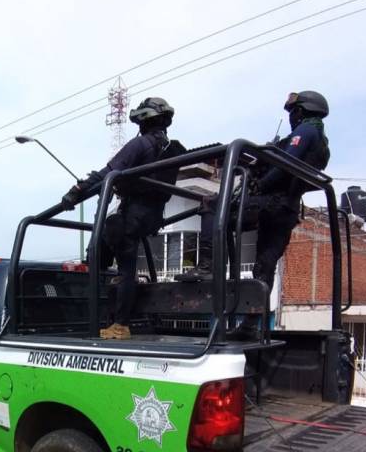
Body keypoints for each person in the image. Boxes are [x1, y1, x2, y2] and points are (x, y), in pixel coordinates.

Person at [61, 97, 185, 340]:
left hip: (133, 214)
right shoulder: (169, 149)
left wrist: (78, 190)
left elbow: (109, 172)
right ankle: (117, 314)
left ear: (144, 120)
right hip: (152, 216)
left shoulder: (141, 144)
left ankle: (119, 324)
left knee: (119, 266)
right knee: (117, 259)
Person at [195, 90, 330, 289]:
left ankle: (207, 266)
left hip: (273, 203)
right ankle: (257, 309)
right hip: (288, 210)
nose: (291, 117)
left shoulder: (306, 130)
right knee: (264, 266)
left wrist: (262, 183)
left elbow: (286, 164)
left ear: (301, 111)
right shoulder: (321, 142)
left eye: (293, 111)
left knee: (212, 205)